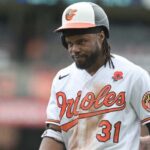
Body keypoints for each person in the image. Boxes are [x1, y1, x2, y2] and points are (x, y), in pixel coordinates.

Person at [39, 2, 150, 150]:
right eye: (69, 43)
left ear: (101, 36)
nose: (74, 49)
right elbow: (55, 133)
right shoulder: (62, 79)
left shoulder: (132, 75)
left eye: (81, 41)